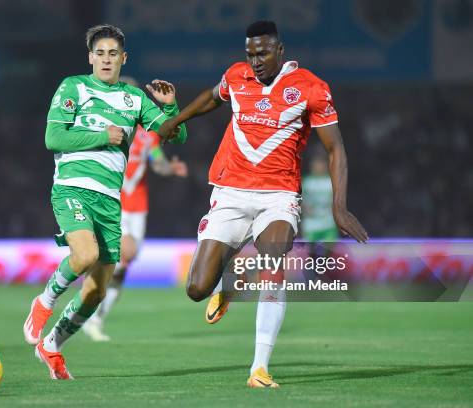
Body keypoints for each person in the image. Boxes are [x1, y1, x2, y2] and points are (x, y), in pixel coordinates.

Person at [158, 20, 368, 388]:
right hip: (230, 191)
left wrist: (340, 206)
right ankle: (229, 281)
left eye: (263, 53)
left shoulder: (310, 88)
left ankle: (259, 368)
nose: (256, 61)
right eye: (251, 53)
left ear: (280, 51)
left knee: (273, 260)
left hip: (279, 195)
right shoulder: (237, 76)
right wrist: (177, 119)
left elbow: (336, 149)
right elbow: (212, 97)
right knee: (196, 289)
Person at [23, 24, 186, 380]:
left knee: (97, 291)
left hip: (111, 201)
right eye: (100, 53)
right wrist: (102, 135)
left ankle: (52, 346)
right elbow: (53, 136)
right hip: (72, 187)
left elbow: (176, 134)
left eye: (113, 54)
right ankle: (44, 302)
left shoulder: (135, 100)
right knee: (85, 255)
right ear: (90, 57)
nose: (106, 59)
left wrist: (171, 107)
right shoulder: (73, 86)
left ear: (123, 58)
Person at [83, 77, 189, 341]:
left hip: (138, 205)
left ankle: (95, 317)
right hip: (113, 200)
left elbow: (156, 163)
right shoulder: (104, 128)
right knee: (118, 258)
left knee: (124, 265)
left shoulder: (146, 136)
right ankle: (87, 307)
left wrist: (170, 168)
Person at [302, 152, 339, 242]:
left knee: (328, 252)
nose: (318, 166)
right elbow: (298, 200)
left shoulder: (332, 182)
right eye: (316, 164)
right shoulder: (306, 182)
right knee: (310, 253)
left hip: (329, 224)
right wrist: (304, 208)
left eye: (321, 163)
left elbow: (338, 201)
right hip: (311, 224)